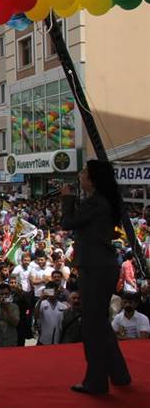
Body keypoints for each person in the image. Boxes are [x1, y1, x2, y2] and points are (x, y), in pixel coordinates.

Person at [60, 160, 131, 394]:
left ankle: (96, 381)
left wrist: (67, 198)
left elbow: (67, 222)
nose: (79, 176)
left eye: (83, 173)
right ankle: (119, 374)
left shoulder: (95, 203)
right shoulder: (104, 201)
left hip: (95, 267)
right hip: (101, 265)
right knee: (99, 323)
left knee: (93, 325)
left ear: (91, 179)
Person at [34, 281, 68, 345]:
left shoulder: (63, 306)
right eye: (50, 291)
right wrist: (41, 299)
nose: (52, 293)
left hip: (58, 340)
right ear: (46, 291)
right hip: (43, 340)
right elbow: (36, 316)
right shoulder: (41, 303)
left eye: (54, 290)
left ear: (57, 291)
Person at [0, 283, 20, 348]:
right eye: (1, 294)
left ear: (9, 294)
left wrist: (7, 309)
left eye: (6, 294)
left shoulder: (14, 307)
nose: (4, 296)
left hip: (10, 342)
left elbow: (15, 323)